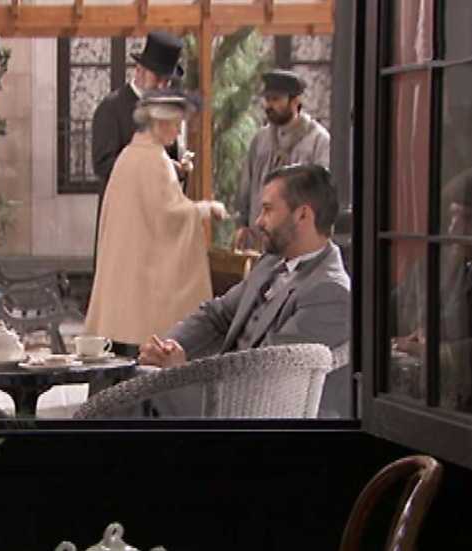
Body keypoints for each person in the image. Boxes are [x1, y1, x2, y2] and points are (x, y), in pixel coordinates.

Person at [139, 164, 350, 416]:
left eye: (268, 210)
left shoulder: (330, 292)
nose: (258, 221)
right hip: (219, 393)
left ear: (302, 215)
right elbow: (216, 314)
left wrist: (181, 374)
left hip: (253, 414)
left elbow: (268, 376)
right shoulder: (270, 262)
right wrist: (168, 347)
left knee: (133, 405)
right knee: (129, 387)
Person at [86, 89, 226, 357]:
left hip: (124, 273)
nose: (177, 131)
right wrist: (206, 209)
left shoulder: (128, 155)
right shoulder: (154, 160)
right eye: (175, 124)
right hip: (143, 279)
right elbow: (170, 216)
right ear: (159, 123)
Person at [90, 32, 190, 264]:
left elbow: (171, 160)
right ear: (139, 71)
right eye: (157, 78)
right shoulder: (111, 108)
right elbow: (103, 165)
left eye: (167, 81)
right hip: (124, 226)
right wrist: (156, 167)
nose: (162, 86)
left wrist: (181, 168)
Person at [390, 164, 472, 413]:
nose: (455, 228)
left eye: (468, 218)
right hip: (424, 398)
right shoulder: (435, 265)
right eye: (453, 216)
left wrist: (436, 352)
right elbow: (392, 307)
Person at [233, 70, 331, 250]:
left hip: (298, 242)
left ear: (295, 101)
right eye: (267, 99)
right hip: (260, 240)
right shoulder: (260, 140)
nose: (269, 105)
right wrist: (242, 224)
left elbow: (322, 196)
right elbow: (246, 186)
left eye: (276, 99)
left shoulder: (318, 141)